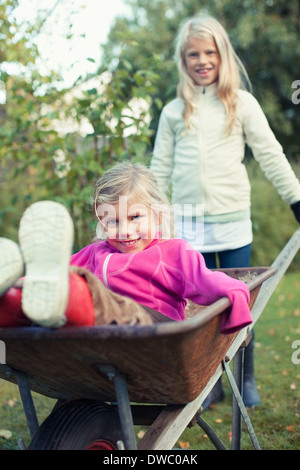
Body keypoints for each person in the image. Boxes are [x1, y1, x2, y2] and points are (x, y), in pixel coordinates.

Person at [150, 15, 300, 408]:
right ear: (183, 60)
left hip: (233, 222)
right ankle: (206, 382)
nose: (202, 60)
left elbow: (271, 155)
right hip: (188, 226)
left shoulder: (241, 103)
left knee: (239, 302)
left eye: (209, 52)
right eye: (193, 54)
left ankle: (244, 378)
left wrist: (296, 199)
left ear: (222, 55)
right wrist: (147, 216)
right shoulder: (173, 112)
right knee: (197, 309)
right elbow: (158, 170)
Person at [0, 162, 252, 338]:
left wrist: (237, 292)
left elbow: (205, 281)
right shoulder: (97, 253)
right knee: (63, 278)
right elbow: (51, 274)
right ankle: (10, 299)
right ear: (101, 221)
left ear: (157, 214)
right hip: (104, 339)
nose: (124, 231)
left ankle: (64, 300)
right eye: (113, 221)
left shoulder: (174, 251)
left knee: (85, 287)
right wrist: (23, 283)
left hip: (156, 334)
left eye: (135, 217)